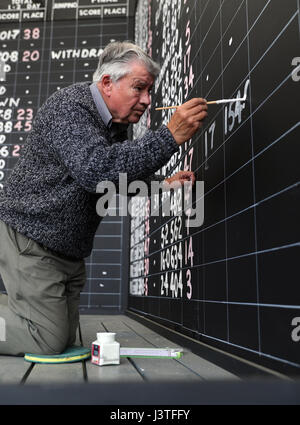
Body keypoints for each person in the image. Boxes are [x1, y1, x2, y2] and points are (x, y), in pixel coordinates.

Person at [0, 41, 207, 356]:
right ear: (108, 82)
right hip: (31, 237)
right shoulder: (69, 106)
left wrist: (161, 185)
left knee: (65, 337)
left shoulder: (116, 126)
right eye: (139, 88)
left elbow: (112, 180)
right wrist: (170, 136)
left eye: (149, 91)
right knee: (45, 340)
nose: (147, 100)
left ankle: (22, 307)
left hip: (66, 251)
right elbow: (95, 171)